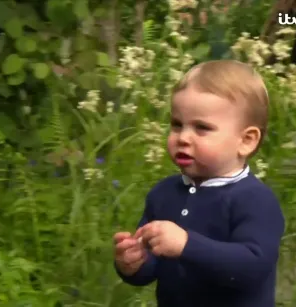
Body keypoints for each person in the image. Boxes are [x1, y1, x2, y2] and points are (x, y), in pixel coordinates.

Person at [113, 60, 285, 307]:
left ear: (246, 140)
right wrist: (133, 264)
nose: (183, 137)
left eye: (201, 128)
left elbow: (252, 267)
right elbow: (152, 268)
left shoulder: (255, 200)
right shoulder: (163, 194)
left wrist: (186, 245)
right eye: (177, 125)